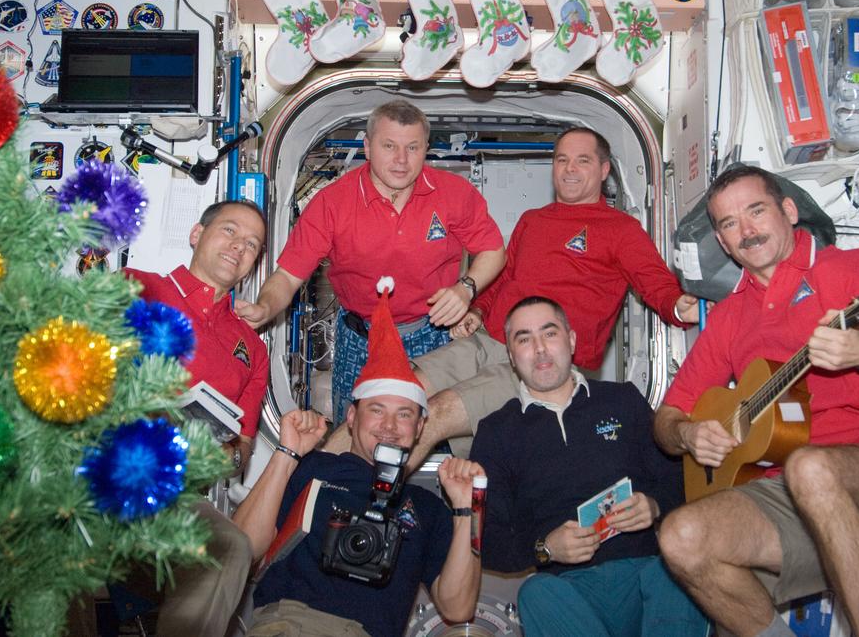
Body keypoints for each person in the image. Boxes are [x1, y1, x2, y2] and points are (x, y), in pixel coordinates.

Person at [651, 165, 859, 637]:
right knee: (680, 536)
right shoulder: (730, 316)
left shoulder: (848, 270)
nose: (747, 231)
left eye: (756, 211)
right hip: (789, 492)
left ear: (788, 211)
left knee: (812, 467)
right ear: (723, 242)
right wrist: (688, 434)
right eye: (730, 224)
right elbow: (667, 417)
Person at [326, 126, 697, 460]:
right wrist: (477, 311)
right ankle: (311, 487)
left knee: (434, 413)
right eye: (561, 159)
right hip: (488, 341)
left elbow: (656, 283)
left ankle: (368, 514)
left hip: (543, 363)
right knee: (389, 396)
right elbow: (503, 279)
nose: (569, 169)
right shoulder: (532, 221)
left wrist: (679, 307)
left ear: (603, 171)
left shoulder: (621, 229)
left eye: (582, 161)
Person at [233, 280, 485, 637]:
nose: (389, 426)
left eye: (404, 414)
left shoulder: (428, 507)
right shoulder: (314, 470)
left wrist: (467, 510)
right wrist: (286, 454)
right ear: (351, 418)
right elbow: (241, 549)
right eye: (377, 410)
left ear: (420, 426)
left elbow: (458, 607)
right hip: (289, 624)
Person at [236, 98, 506, 423]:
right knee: (352, 438)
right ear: (367, 146)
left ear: (426, 149)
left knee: (432, 431)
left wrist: (465, 289)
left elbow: (493, 250)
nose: (401, 160)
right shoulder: (332, 204)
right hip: (360, 339)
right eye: (389, 146)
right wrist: (264, 308)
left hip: (431, 335)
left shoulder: (453, 194)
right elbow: (288, 277)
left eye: (413, 148)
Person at [470, 296, 707, 637]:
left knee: (678, 568)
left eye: (549, 334)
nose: (539, 348)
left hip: (646, 573)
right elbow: (487, 541)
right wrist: (546, 547)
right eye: (524, 338)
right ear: (511, 355)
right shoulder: (496, 432)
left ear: (571, 340)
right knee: (535, 593)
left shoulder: (623, 400)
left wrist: (654, 506)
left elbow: (681, 482)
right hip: (566, 589)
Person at [122, 199, 270, 637]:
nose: (239, 247)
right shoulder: (136, 287)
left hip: (177, 496)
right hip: (100, 468)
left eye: (252, 244)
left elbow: (242, 450)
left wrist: (219, 453)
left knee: (232, 547)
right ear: (196, 235)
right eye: (229, 231)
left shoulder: (252, 348)